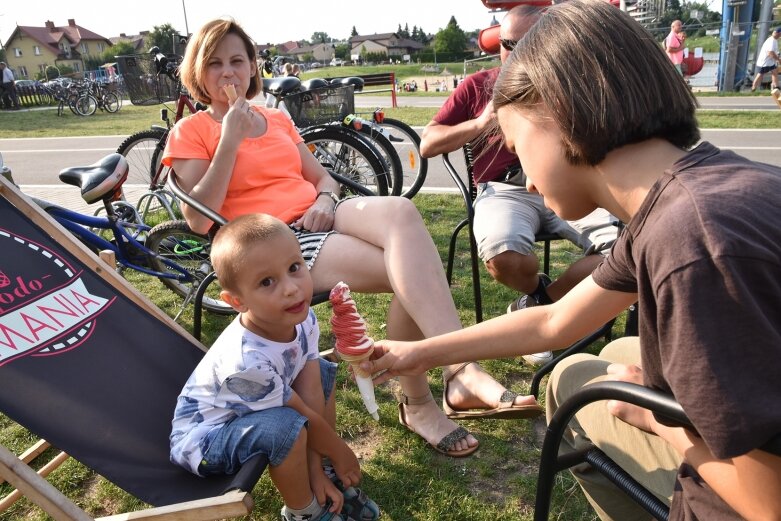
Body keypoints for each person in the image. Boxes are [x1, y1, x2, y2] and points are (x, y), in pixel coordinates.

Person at [361, 1, 781, 519]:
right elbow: (557, 320)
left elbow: (770, 502)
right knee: (603, 353)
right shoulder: (710, 187)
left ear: (558, 113)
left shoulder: (691, 243)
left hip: (731, 501)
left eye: (518, 145)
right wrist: (416, 355)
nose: (530, 181)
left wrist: (661, 425)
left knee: (574, 381)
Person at [163, 18, 544, 461]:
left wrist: (325, 197)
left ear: (252, 68)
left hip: (318, 216)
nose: (228, 73)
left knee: (401, 212)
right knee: (411, 275)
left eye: (237, 61)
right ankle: (429, 396)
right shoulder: (191, 131)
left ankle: (455, 373)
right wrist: (228, 137)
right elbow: (195, 217)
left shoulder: (275, 119)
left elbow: (321, 177)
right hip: (271, 244)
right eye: (215, 63)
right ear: (198, 71)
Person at [419, 4, 616, 365]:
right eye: (509, 44)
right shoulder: (479, 85)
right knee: (502, 254)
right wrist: (479, 125)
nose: (516, 54)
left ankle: (539, 306)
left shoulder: (573, 83)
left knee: (627, 252)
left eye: (531, 44)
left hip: (571, 184)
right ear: (498, 45)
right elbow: (428, 143)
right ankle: (548, 308)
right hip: (504, 190)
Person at [170, 214, 380, 521]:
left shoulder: (301, 317)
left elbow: (309, 389)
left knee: (321, 372)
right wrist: (337, 448)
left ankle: (320, 475)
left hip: (258, 414)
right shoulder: (246, 361)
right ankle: (303, 512)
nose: (291, 289)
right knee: (286, 427)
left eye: (295, 267)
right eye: (267, 282)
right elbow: (298, 415)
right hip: (205, 441)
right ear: (237, 301)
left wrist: (318, 466)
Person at [752, 27, 781, 92]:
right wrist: (778, 60)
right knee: (761, 74)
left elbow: (775, 51)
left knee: (774, 72)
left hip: (771, 62)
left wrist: (778, 56)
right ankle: (754, 87)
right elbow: (770, 52)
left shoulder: (774, 40)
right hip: (765, 62)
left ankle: (776, 87)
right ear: (778, 33)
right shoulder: (771, 41)